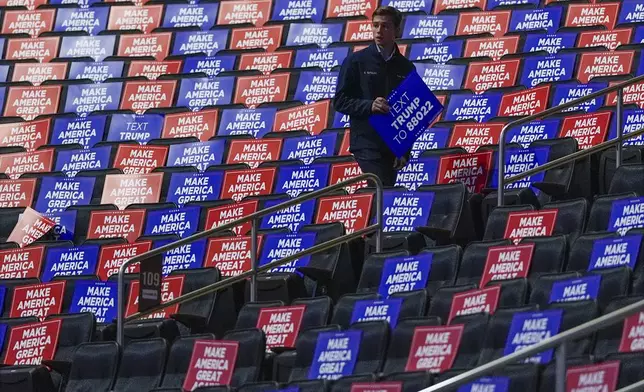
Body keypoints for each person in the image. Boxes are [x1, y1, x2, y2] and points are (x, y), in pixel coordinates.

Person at [333, 6, 415, 187]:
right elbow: (339, 101)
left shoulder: (406, 67)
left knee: (385, 194)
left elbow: (411, 113)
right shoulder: (356, 61)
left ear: (397, 30)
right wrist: (369, 106)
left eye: (385, 26)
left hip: (392, 144)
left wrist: (405, 150)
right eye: (376, 25)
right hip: (366, 142)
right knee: (379, 188)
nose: (379, 31)